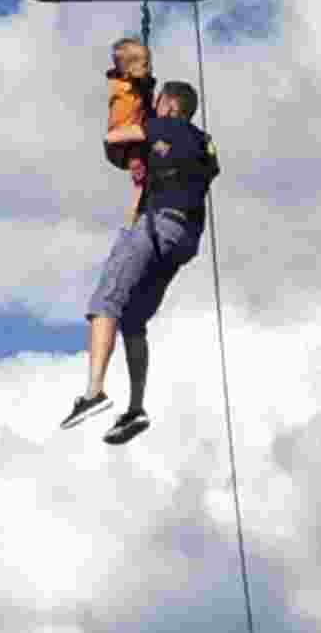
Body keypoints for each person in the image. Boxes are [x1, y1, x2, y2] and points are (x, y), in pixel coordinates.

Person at [61, 80, 220, 444]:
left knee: (107, 301)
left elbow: (115, 137)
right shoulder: (204, 142)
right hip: (184, 239)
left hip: (156, 223)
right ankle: (135, 408)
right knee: (134, 319)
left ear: (167, 104)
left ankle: (94, 391)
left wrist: (143, 122)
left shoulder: (162, 125)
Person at [105, 36, 155, 226]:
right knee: (140, 169)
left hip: (127, 140)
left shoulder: (130, 83)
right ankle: (137, 214)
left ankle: (137, 210)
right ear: (129, 70)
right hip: (122, 143)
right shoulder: (125, 87)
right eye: (145, 63)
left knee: (142, 180)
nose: (148, 67)